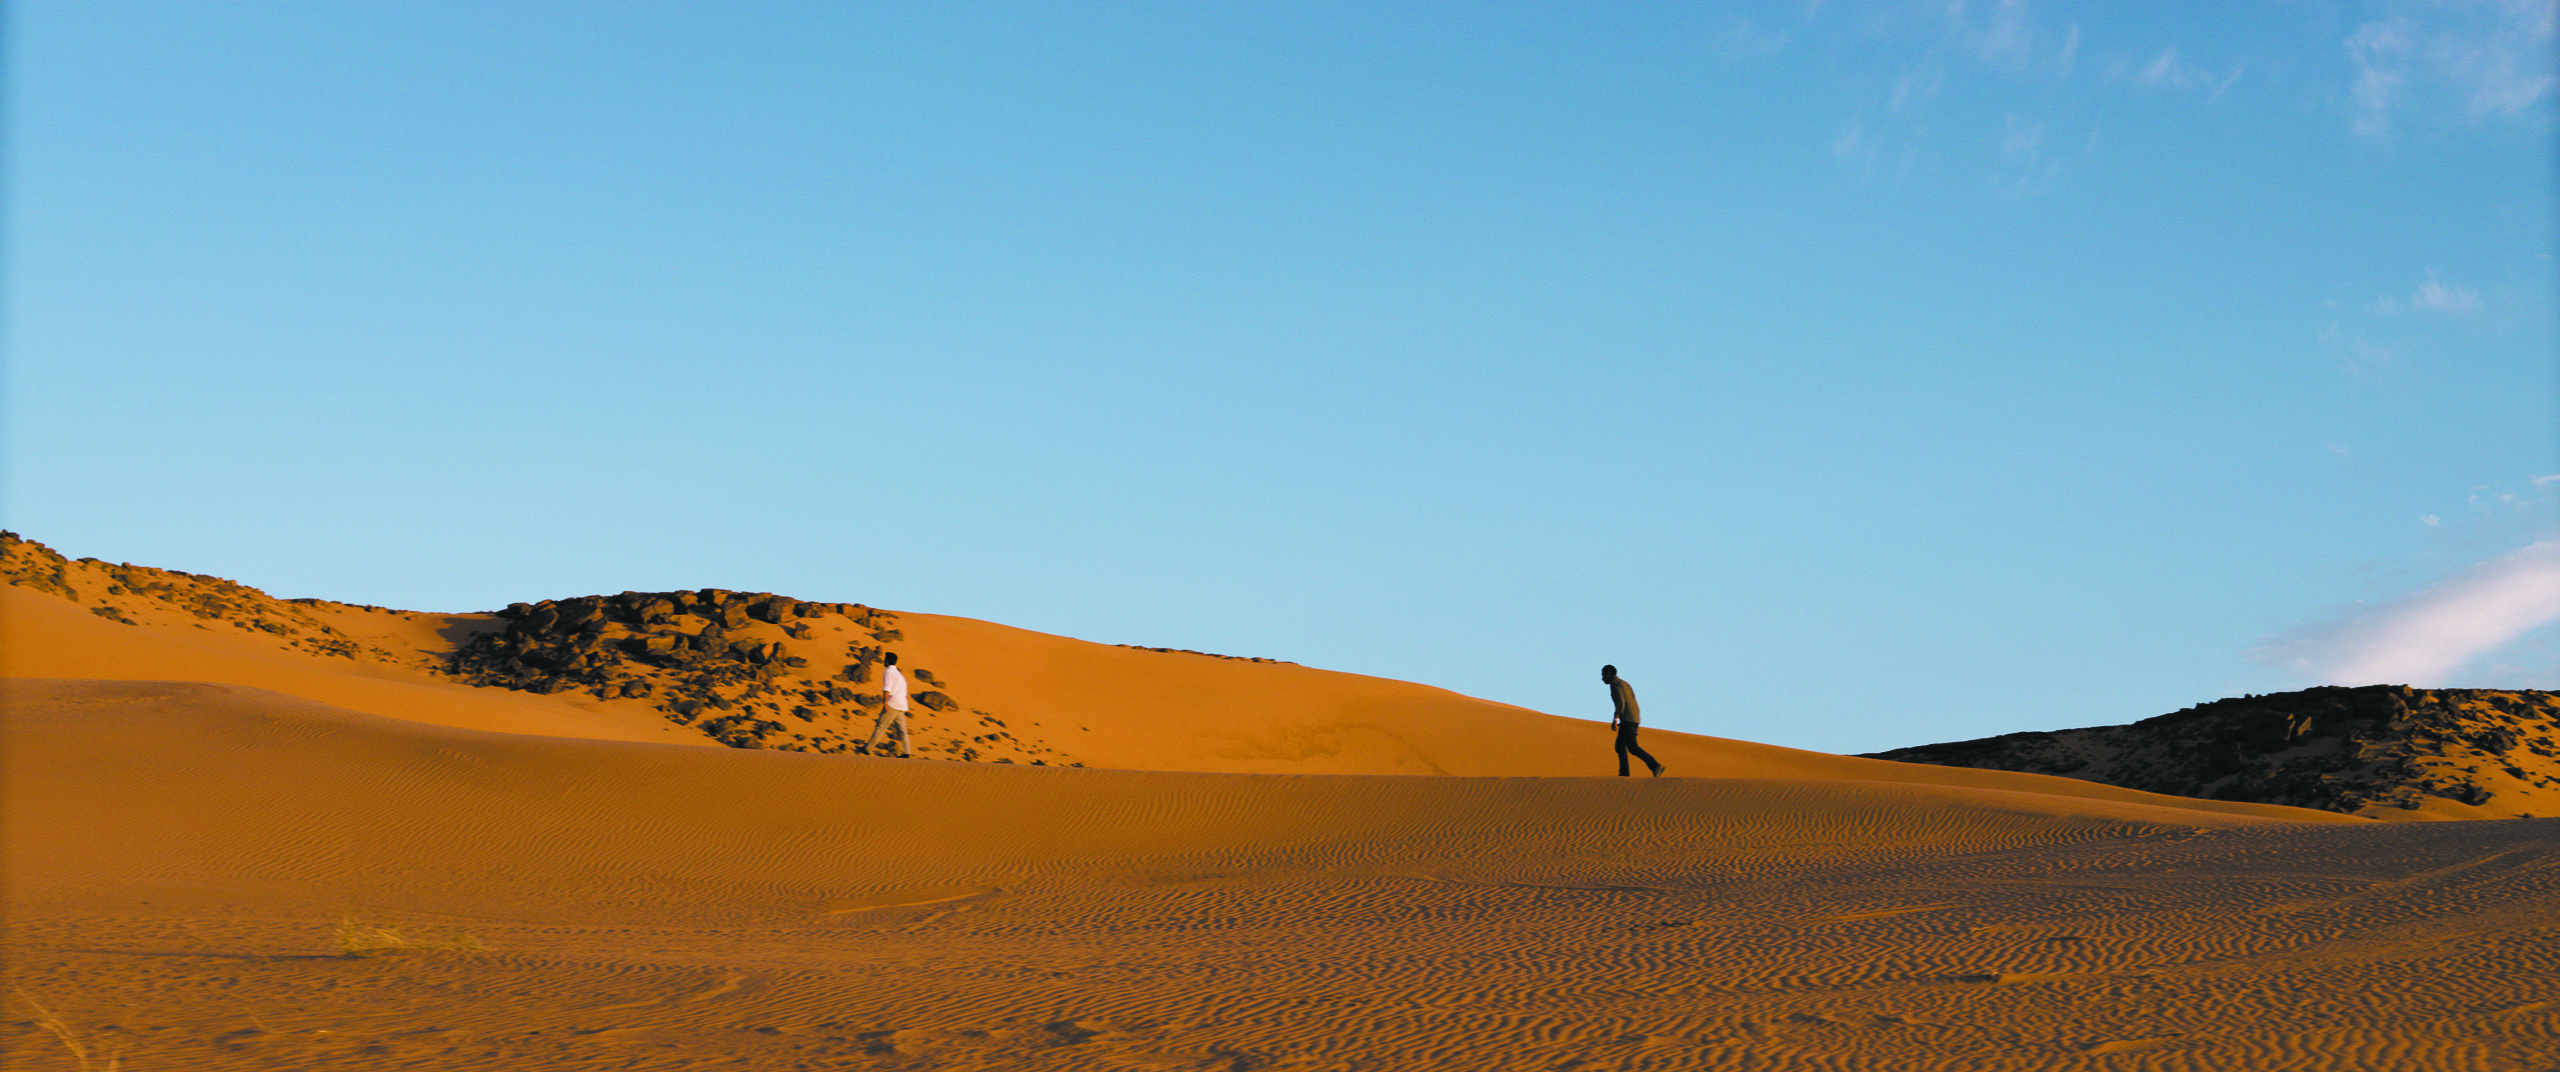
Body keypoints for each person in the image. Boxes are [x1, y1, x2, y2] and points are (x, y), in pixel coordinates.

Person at [1603, 664, 1663, 777]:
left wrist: (1615, 719)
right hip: (1633, 718)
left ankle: (1652, 766)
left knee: (1627, 747)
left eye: (1603, 675)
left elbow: (1621, 702)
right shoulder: (1624, 683)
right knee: (1626, 747)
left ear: (1608, 674)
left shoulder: (1615, 685)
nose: (1602, 678)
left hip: (1627, 719)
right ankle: (1628, 772)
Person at [864, 651, 914, 758]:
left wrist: (884, 703)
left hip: (893, 703)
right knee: (902, 730)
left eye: (885, 659)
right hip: (901, 704)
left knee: (881, 726)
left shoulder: (888, 672)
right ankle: (907, 752)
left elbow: (887, 688)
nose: (883, 661)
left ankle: (868, 749)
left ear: (887, 661)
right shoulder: (899, 675)